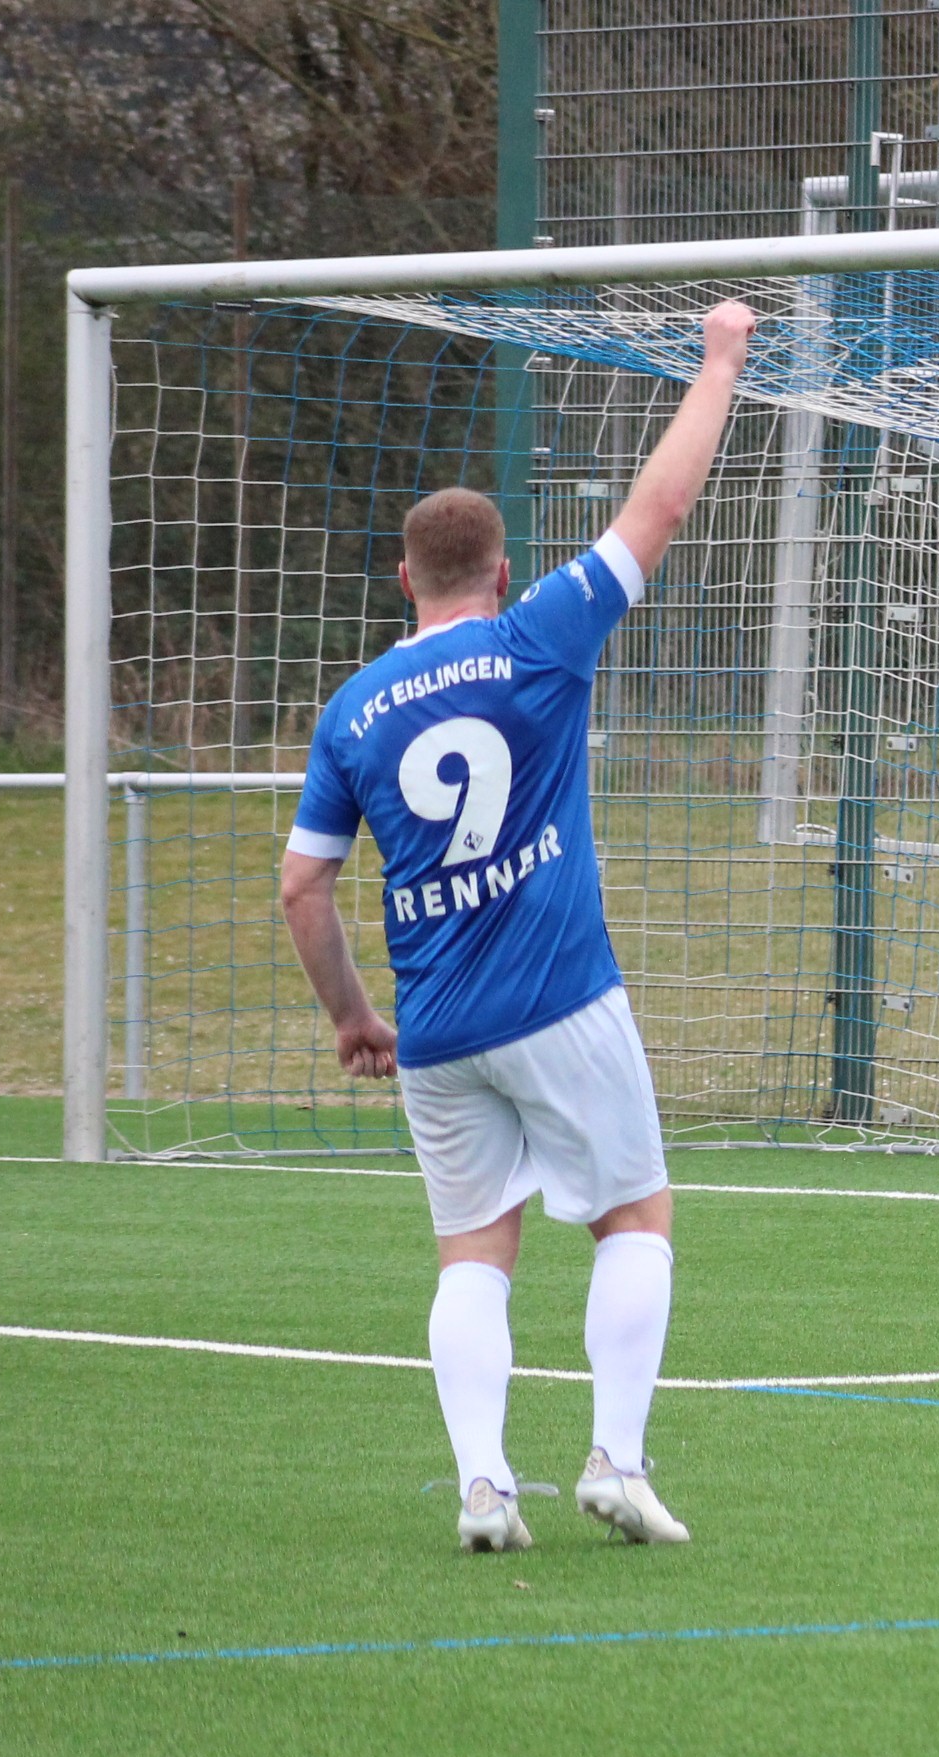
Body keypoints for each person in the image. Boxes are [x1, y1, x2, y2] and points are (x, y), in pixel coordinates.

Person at [279, 300, 758, 1551]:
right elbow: (659, 506)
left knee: (472, 1256)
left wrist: (353, 1019)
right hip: (561, 1001)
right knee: (633, 1217)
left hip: (436, 1033)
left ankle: (485, 1486)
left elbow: (301, 886)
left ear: (404, 581)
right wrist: (718, 361)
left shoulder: (353, 709)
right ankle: (615, 1458)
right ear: (499, 574)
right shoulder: (541, 633)